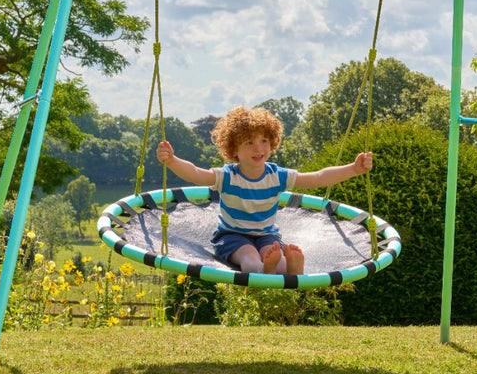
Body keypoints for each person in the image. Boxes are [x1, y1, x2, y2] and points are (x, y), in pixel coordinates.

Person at [156, 106, 373, 275]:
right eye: (249, 142)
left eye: (264, 141)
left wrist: (353, 169)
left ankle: (289, 268)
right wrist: (172, 161)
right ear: (234, 150)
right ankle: (263, 270)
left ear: (272, 143)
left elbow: (318, 177)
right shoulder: (228, 176)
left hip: (267, 235)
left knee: (278, 260)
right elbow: (196, 173)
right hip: (232, 236)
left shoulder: (277, 176)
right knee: (249, 259)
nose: (258, 148)